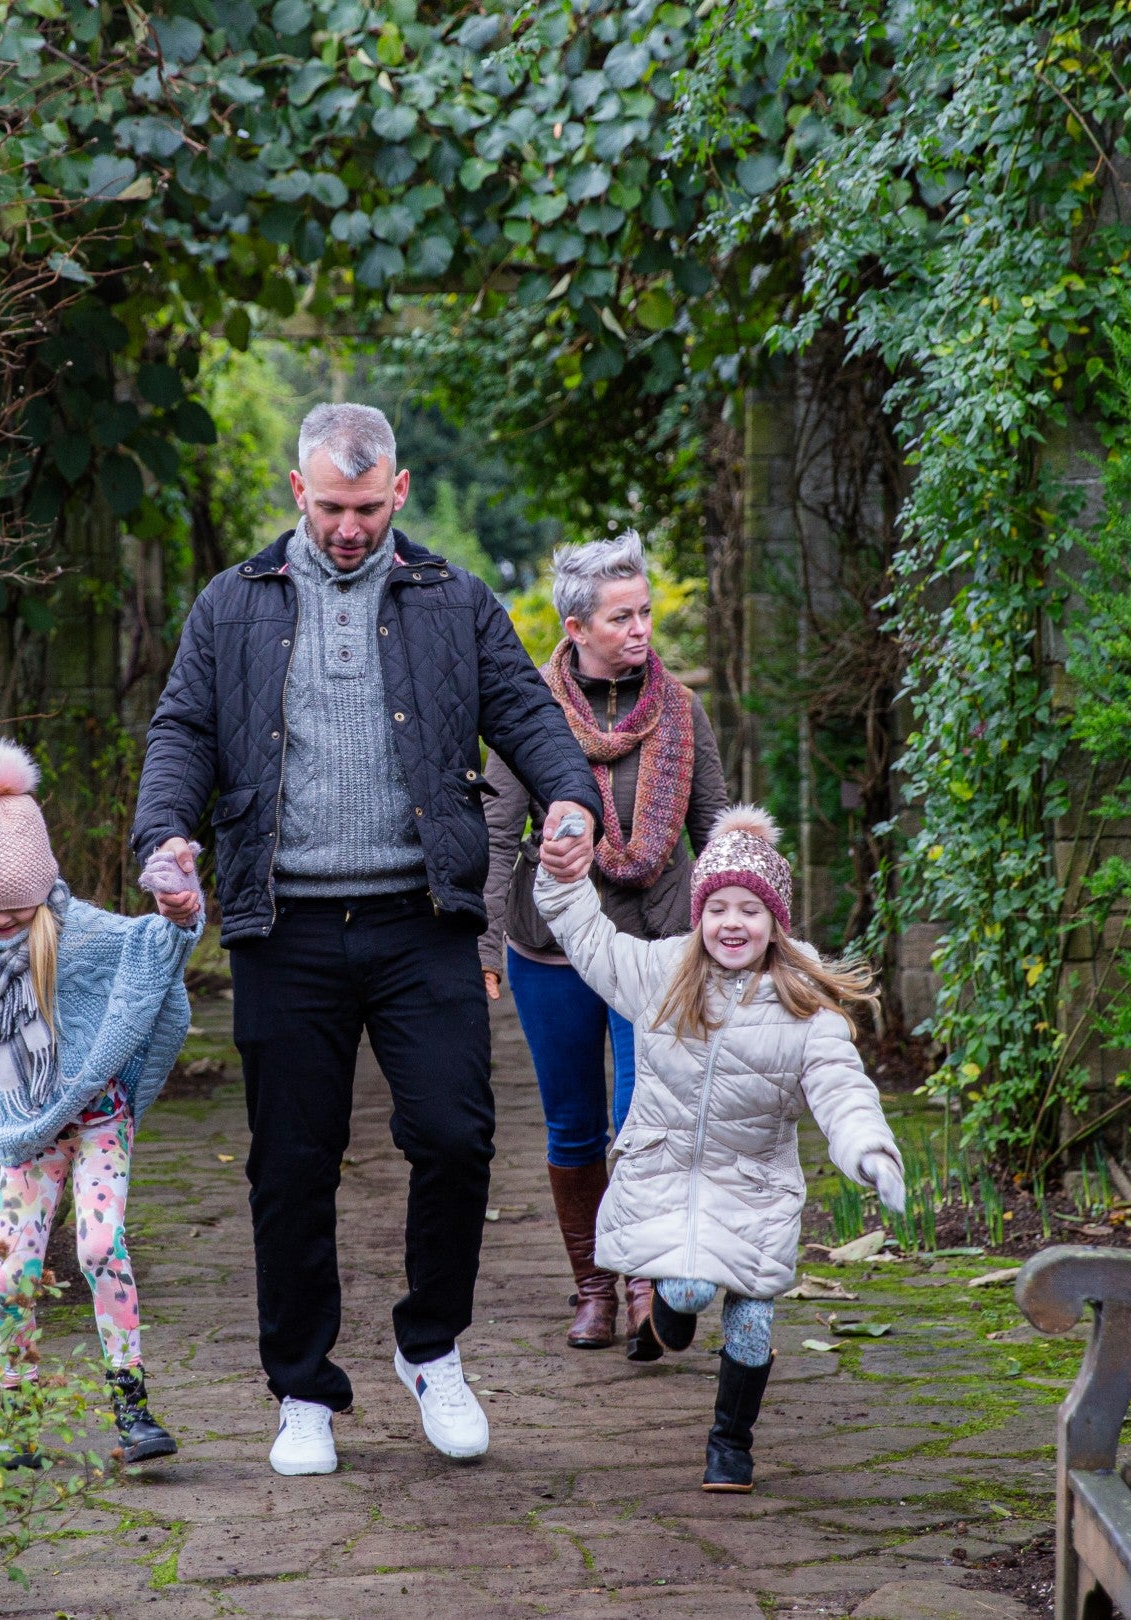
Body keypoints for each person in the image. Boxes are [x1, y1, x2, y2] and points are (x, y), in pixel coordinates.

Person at [130, 401, 602, 1478]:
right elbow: (182, 732)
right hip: (281, 924)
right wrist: (165, 837)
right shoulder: (232, 605)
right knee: (290, 1165)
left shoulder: (451, 600)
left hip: (420, 917)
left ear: (399, 491)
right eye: (331, 506)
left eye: (368, 506)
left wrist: (569, 801)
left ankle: (430, 1348)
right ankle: (303, 1389)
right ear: (299, 492)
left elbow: (528, 715)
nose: (349, 527)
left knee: (454, 1135)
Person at [531, 804, 908, 1492]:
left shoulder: (804, 1007)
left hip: (754, 1185)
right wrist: (562, 877)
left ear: (776, 923)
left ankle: (730, 1444)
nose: (732, 923)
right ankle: (673, 1307)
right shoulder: (662, 976)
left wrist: (869, 1151)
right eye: (718, 908)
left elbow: (839, 1088)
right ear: (699, 914)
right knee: (692, 1284)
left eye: (751, 911)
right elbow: (588, 940)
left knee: (755, 1317)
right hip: (667, 1176)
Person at [479, 532, 727, 1352]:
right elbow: (491, 830)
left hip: (656, 947)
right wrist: (482, 948)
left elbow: (719, 835)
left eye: (645, 612)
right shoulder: (528, 711)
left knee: (645, 1122)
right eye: (621, 617)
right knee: (575, 1126)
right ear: (577, 626)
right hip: (553, 947)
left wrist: (741, 942)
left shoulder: (683, 713)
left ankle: (645, 1285)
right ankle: (592, 1284)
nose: (640, 629)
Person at [0, 739, 197, 1466]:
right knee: (10, 1271)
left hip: (98, 1120)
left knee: (97, 1244)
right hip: (26, 1129)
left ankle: (132, 1407)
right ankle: (15, 1416)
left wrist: (181, 909)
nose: (0, 922)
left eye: (13, 907)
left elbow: (157, 948)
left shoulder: (81, 931)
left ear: (41, 884)